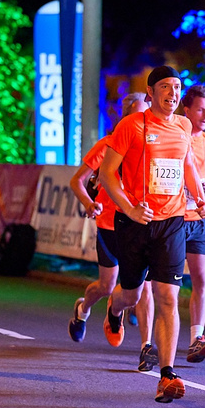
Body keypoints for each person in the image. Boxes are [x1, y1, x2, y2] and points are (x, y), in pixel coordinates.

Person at [99, 66, 205, 403]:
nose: (173, 93)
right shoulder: (130, 126)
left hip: (172, 221)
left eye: (177, 87)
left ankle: (167, 375)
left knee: (166, 297)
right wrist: (130, 207)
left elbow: (187, 164)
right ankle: (114, 310)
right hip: (134, 222)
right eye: (165, 87)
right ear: (150, 92)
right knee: (131, 296)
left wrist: (199, 198)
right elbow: (107, 174)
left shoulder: (183, 126)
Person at [68, 93, 157, 372]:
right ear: (126, 118)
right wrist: (89, 202)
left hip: (141, 223)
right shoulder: (107, 145)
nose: (145, 120)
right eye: (139, 115)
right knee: (106, 286)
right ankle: (83, 310)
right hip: (109, 224)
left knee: (146, 288)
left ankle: (146, 347)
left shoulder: (155, 143)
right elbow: (77, 181)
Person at [179, 84, 205, 363]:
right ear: (187, 109)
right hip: (172, 218)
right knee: (159, 284)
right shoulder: (176, 137)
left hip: (200, 219)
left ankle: (197, 338)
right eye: (200, 110)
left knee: (201, 279)